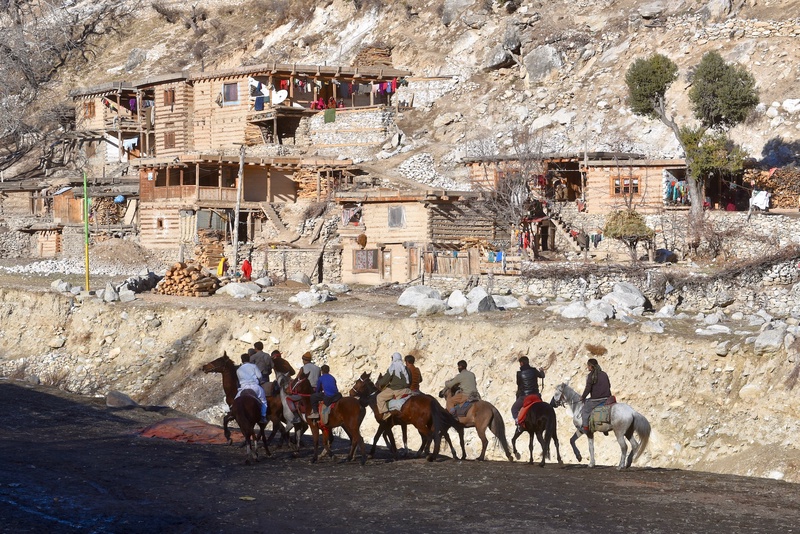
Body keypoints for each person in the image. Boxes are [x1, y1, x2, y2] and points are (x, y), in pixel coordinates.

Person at [375, 352, 412, 420]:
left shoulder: (392, 368)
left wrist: (379, 383)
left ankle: (385, 412)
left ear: (394, 359)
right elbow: (410, 379)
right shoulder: (406, 369)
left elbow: (384, 381)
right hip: (406, 389)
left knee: (379, 397)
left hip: (395, 390)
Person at [580, 358, 612, 432]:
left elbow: (588, 389)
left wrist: (583, 397)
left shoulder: (590, 376)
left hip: (597, 400)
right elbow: (609, 385)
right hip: (608, 398)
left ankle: (586, 428)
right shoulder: (604, 374)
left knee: (585, 410)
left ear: (591, 366)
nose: (587, 367)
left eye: (588, 366)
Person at [510, 356, 545, 424]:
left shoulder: (519, 374)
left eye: (520, 363)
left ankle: (518, 423)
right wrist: (542, 371)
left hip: (524, 397)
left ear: (522, 363)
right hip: (535, 395)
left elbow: (519, 384)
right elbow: (542, 376)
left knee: (514, 409)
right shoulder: (534, 370)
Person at [235, 353, 267, 424]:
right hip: (255, 387)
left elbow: (239, 380)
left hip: (243, 388)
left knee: (235, 401)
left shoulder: (238, 370)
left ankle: (232, 413)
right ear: (249, 359)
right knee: (263, 401)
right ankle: (263, 416)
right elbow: (259, 376)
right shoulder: (254, 366)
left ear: (242, 360)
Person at [271, 350, 298, 424]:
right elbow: (293, 372)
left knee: (273, 393)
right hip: (289, 380)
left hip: (281, 380)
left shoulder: (273, 361)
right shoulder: (285, 361)